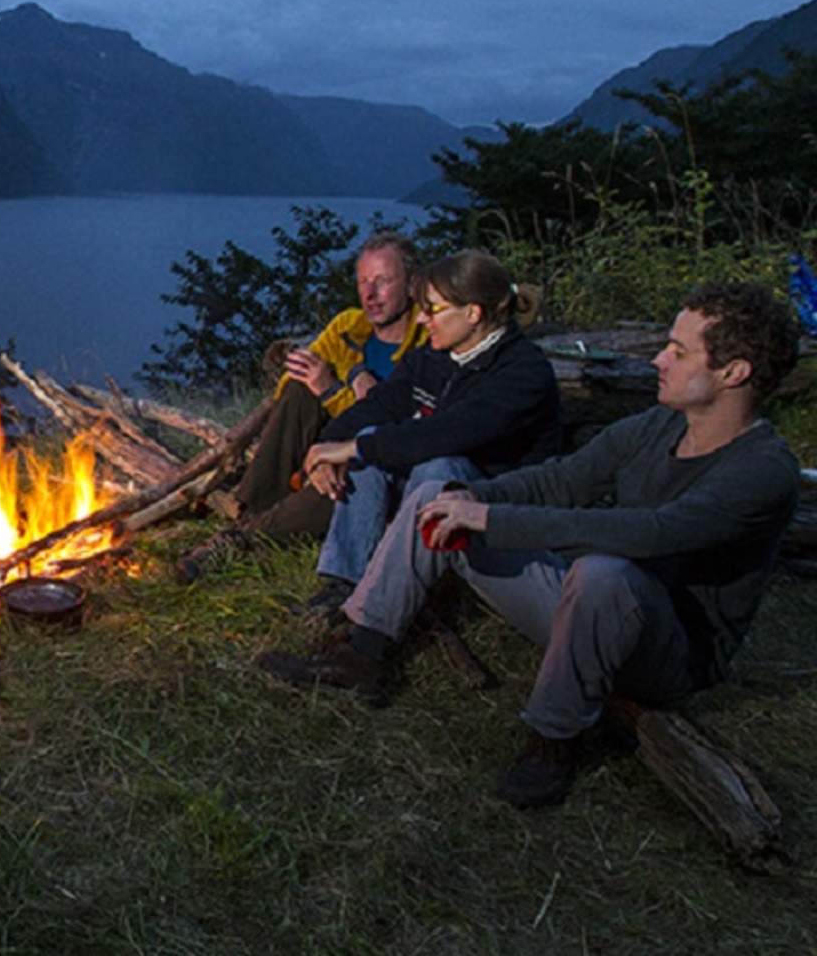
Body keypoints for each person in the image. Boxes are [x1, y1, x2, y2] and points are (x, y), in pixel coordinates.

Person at [259, 283, 801, 809]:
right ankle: (363, 652)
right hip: (582, 606)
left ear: (733, 373)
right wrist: (473, 497)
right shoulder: (659, 425)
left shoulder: (761, 469)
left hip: (666, 652)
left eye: (679, 352)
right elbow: (561, 480)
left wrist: (493, 519)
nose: (659, 359)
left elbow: (651, 532)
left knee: (604, 573)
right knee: (437, 493)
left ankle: (554, 738)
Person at [294, 250, 562, 615]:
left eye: (432, 309)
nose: (421, 319)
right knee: (369, 444)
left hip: (497, 500)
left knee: (435, 464)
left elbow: (447, 433)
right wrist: (327, 446)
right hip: (431, 488)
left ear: (473, 313)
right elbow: (381, 404)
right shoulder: (435, 357)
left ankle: (394, 595)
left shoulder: (521, 371)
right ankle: (345, 583)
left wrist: (355, 447)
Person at [180, 231, 425, 579]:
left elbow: (390, 426)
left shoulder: (425, 344)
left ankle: (242, 542)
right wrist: (350, 377)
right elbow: (291, 382)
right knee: (300, 389)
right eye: (363, 282)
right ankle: (252, 511)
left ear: (412, 284)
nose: (370, 294)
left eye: (383, 281)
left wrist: (332, 391)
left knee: (351, 467)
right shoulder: (349, 327)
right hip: (330, 440)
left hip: (376, 458)